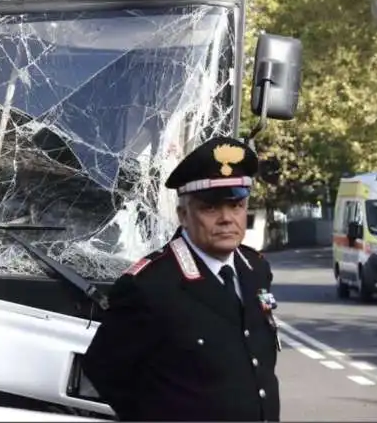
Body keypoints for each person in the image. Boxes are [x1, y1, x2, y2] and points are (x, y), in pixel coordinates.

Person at [82, 136, 281, 422]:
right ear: (183, 215)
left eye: (236, 205)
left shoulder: (256, 269)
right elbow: (104, 370)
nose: (227, 218)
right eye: (210, 207)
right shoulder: (151, 285)